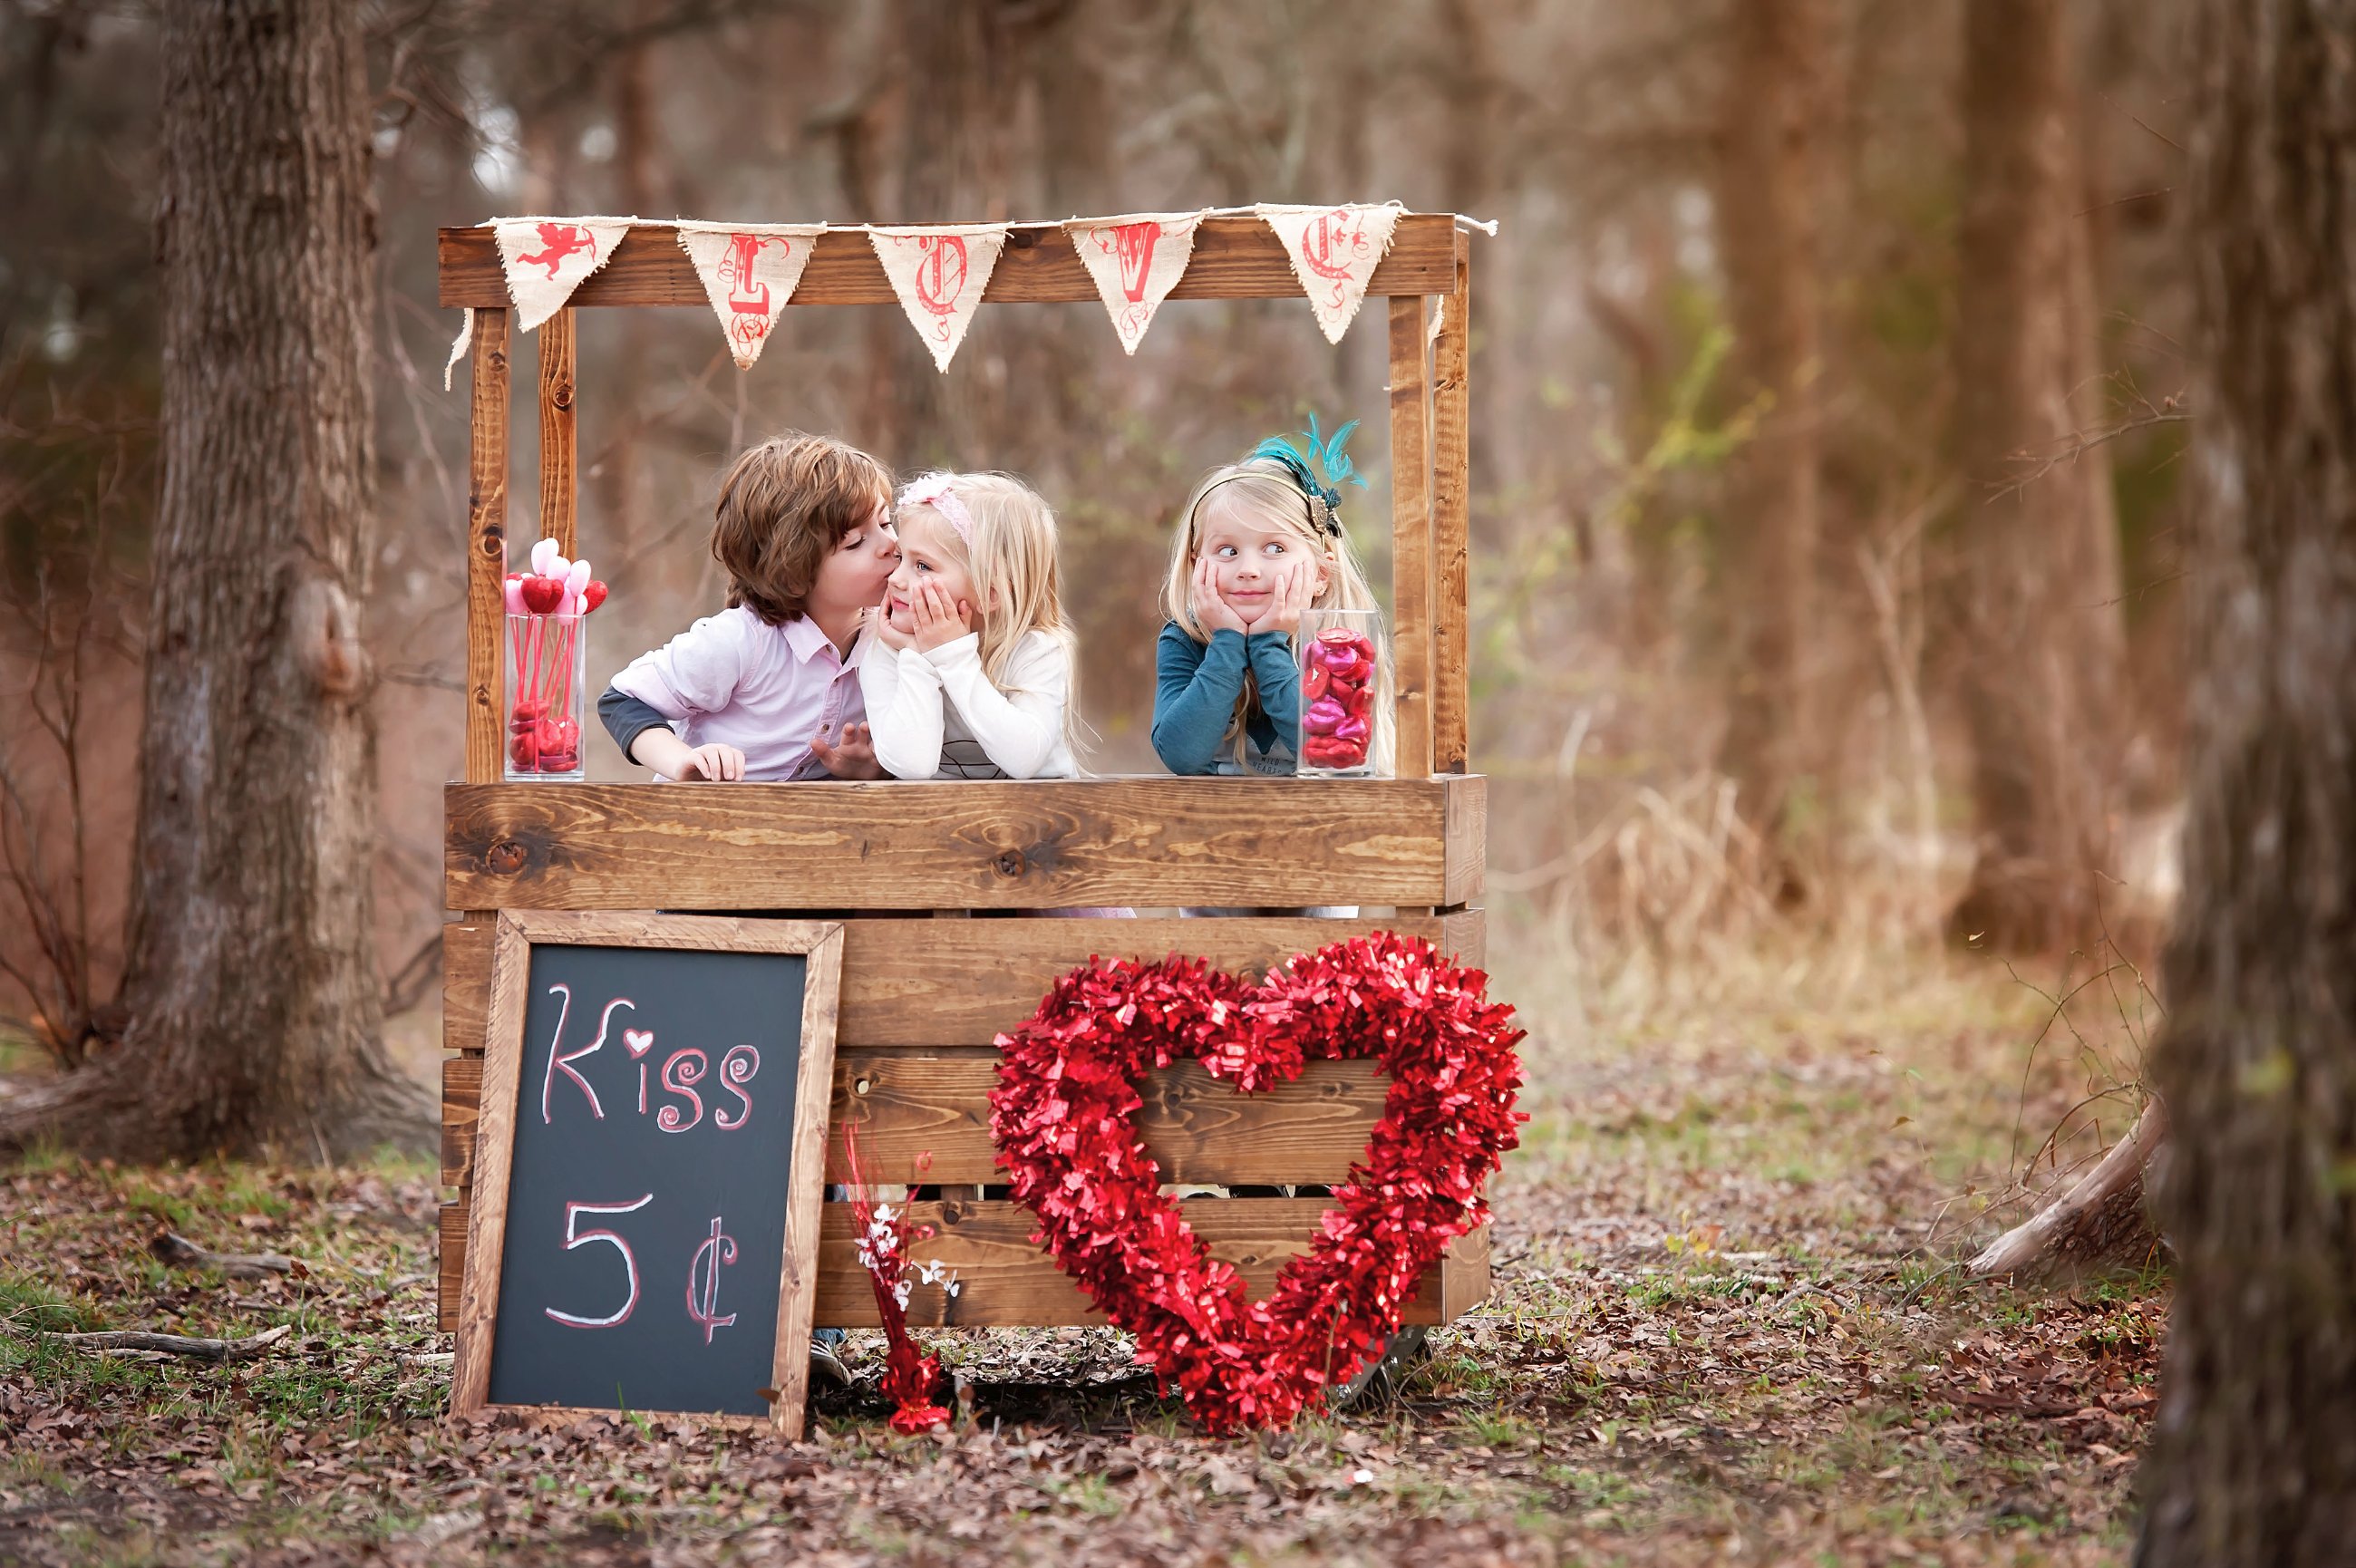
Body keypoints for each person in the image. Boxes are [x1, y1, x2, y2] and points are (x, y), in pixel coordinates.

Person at [598, 431, 896, 783]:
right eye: (856, 542)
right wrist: (683, 760)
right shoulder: (741, 641)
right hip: (700, 828)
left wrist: (871, 770)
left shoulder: (893, 637)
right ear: (794, 570)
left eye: (886, 522)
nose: (890, 544)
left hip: (800, 831)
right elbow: (622, 700)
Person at [1151, 421, 1395, 779]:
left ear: (1320, 573)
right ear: (1197, 564)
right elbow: (1180, 755)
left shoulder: (1341, 644)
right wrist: (1227, 644)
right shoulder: (1186, 640)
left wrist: (1268, 646)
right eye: (1228, 550)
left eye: (1275, 548)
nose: (1248, 569)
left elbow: (1330, 755)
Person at [859, 470, 1081, 780]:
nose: (895, 579)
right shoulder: (887, 649)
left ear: (990, 592)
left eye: (922, 566)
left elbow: (1025, 760)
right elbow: (911, 765)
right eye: (900, 558)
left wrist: (953, 656)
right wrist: (917, 655)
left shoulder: (1036, 651)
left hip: (1041, 823)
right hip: (942, 822)